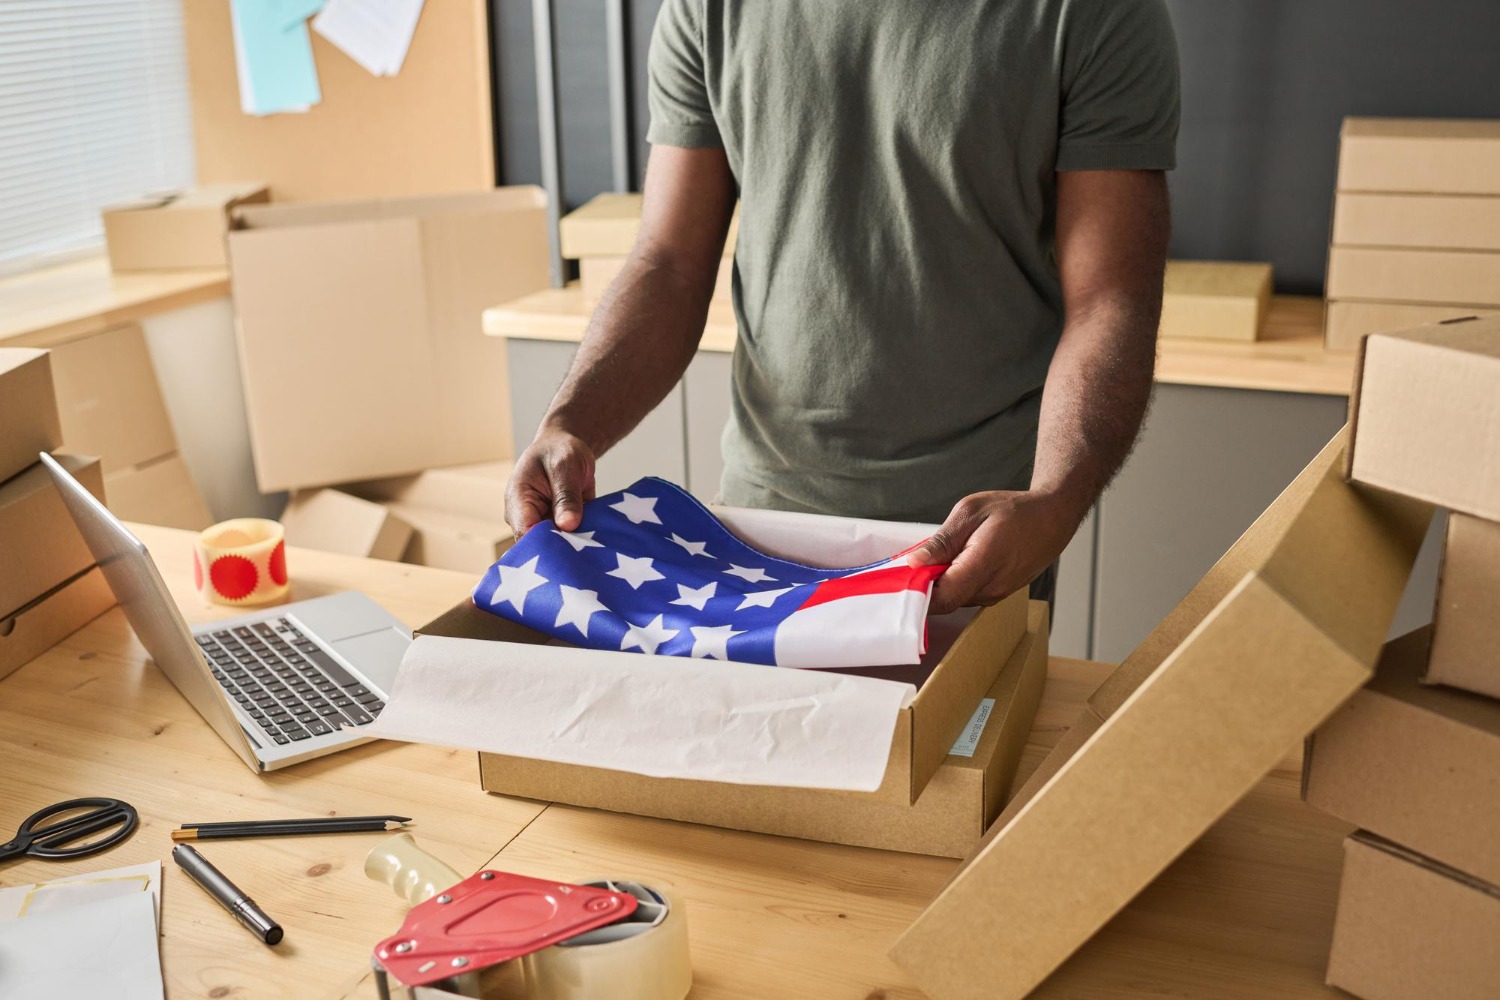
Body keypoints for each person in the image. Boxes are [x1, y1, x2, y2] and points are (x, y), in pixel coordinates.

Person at [505, 0, 1180, 616]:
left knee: (956, 753)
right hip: (756, 525)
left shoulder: (1095, 13)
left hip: (976, 541)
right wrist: (571, 424)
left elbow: (1109, 300)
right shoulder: (705, 9)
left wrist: (1055, 501)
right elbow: (670, 264)